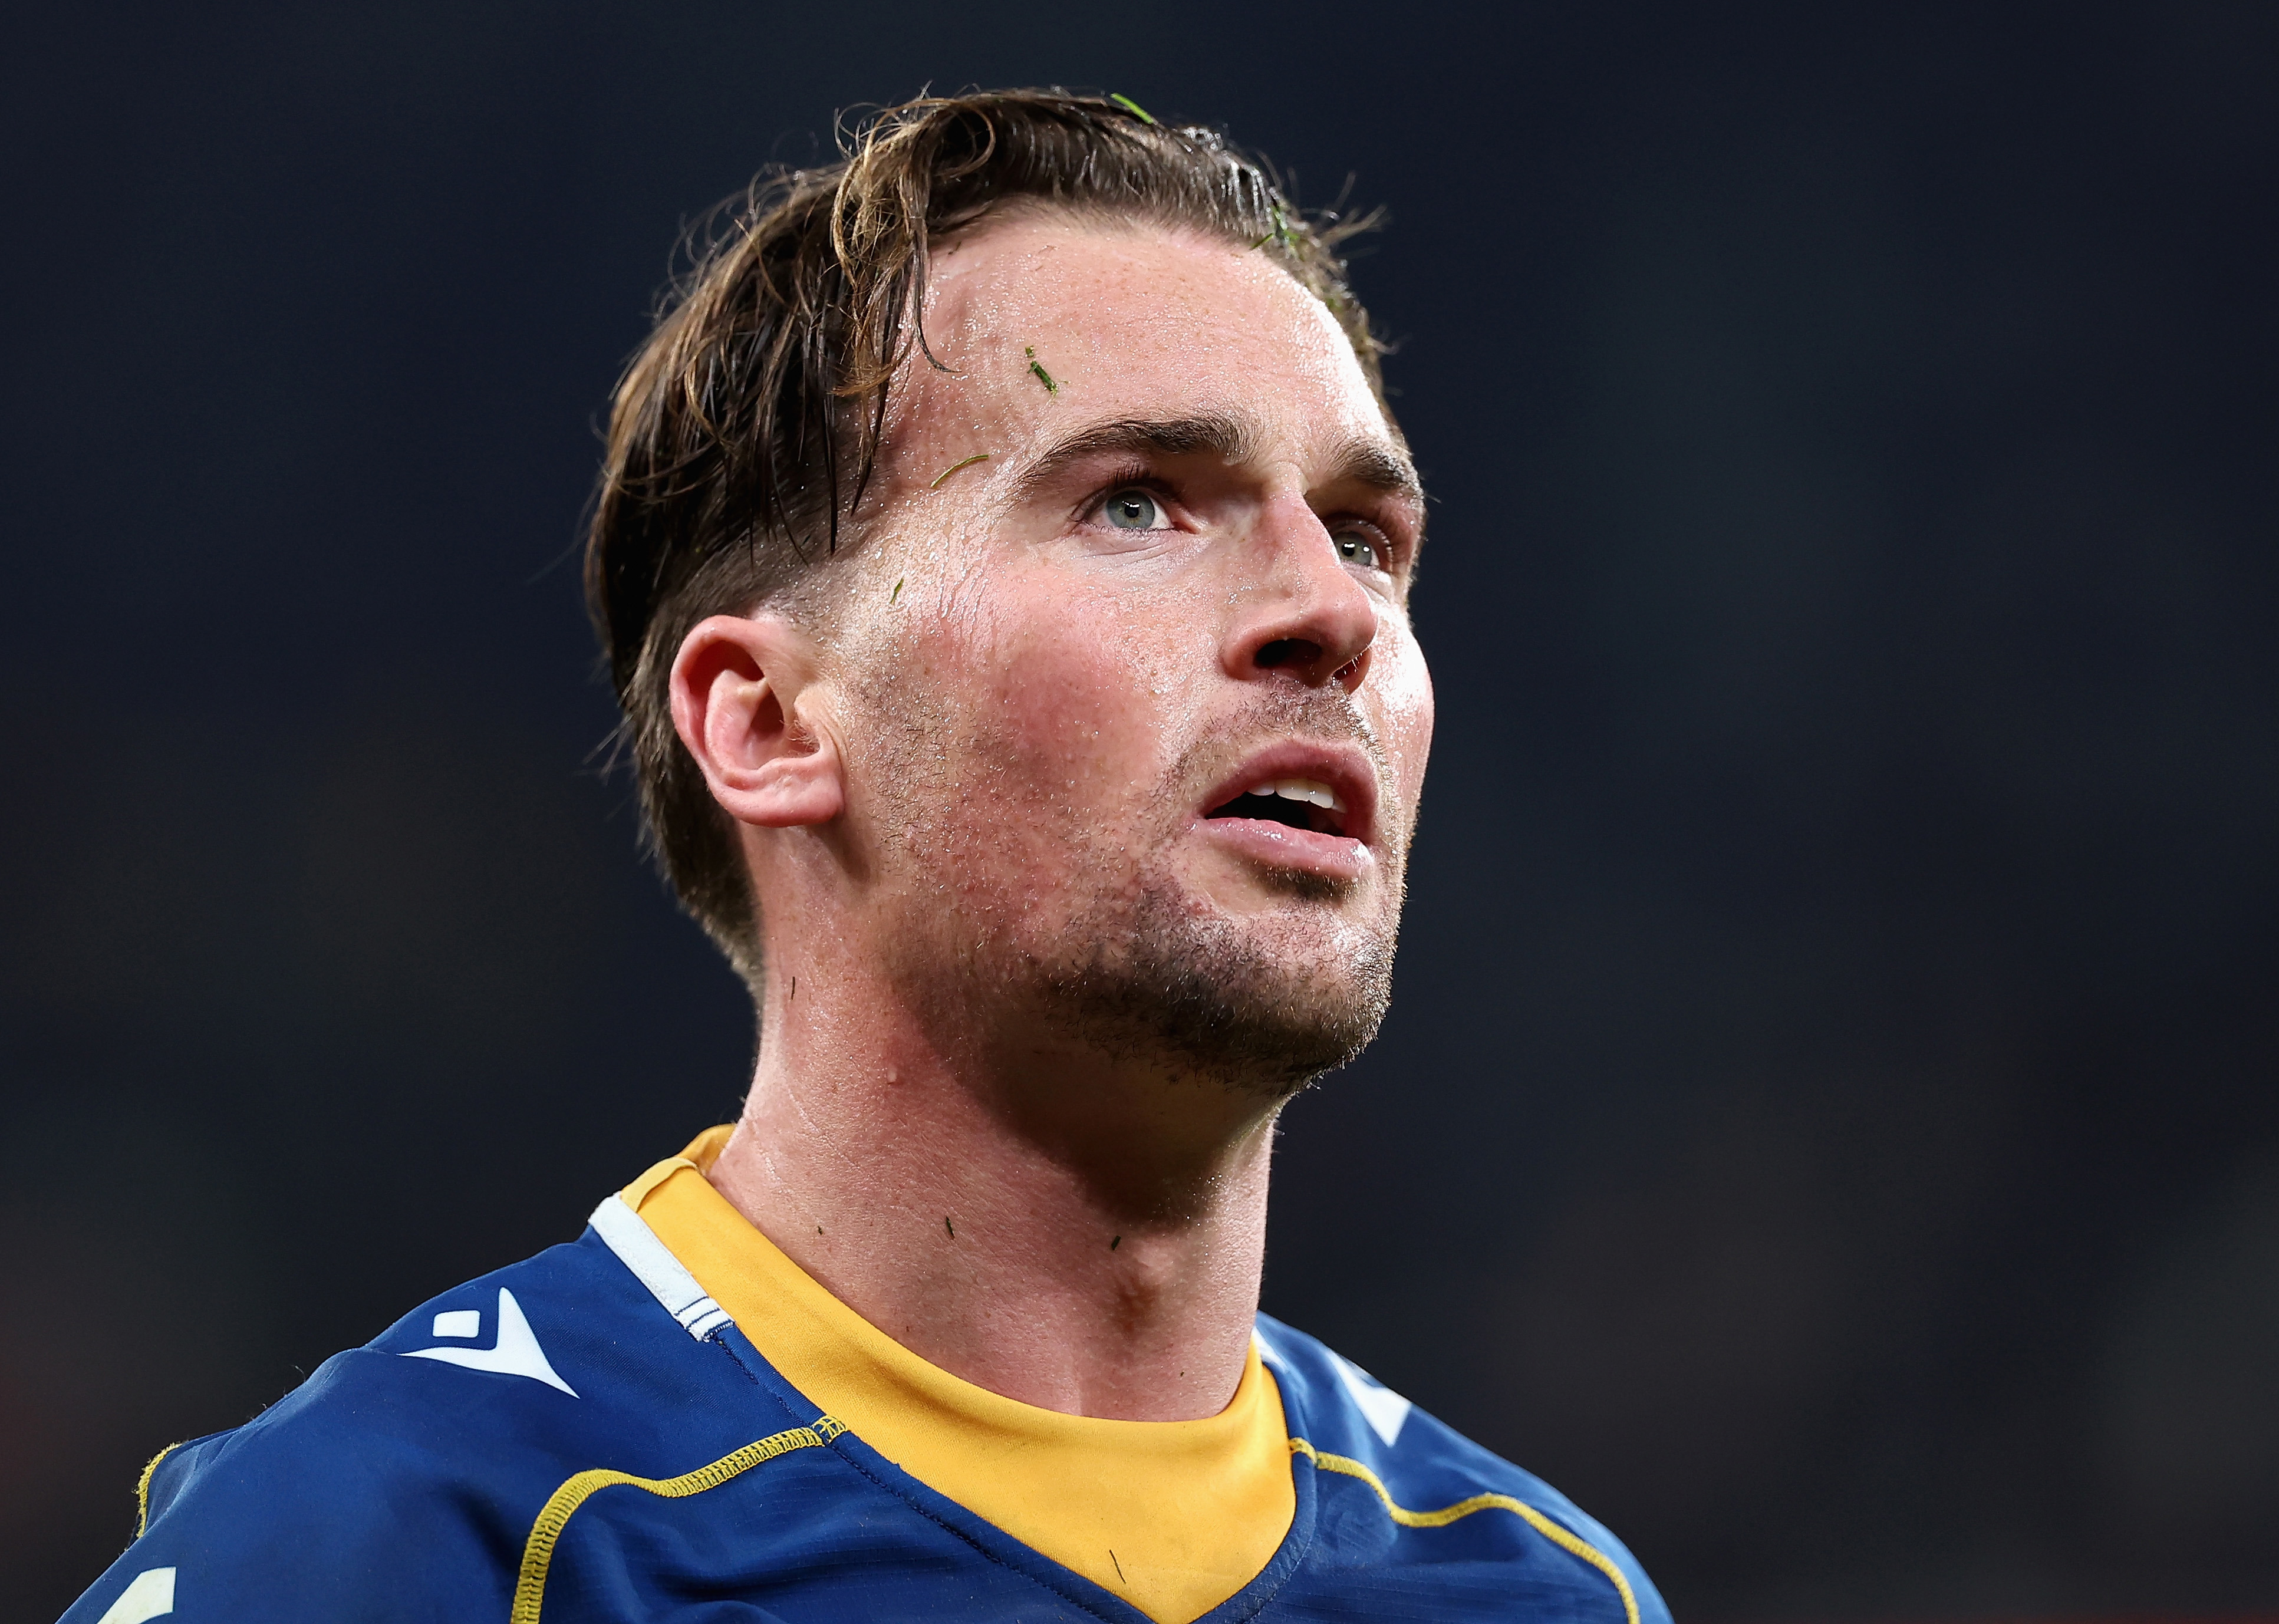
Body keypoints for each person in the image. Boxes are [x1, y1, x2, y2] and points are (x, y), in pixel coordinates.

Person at [61, 90, 1667, 1624]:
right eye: (1138, 504)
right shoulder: (408, 1546)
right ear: (764, 724)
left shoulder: (1541, 1586)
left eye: (1368, 537)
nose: (1331, 613)